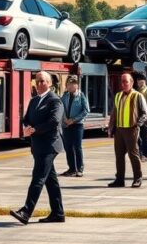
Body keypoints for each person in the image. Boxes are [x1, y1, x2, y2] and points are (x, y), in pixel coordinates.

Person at [10, 71, 66, 224]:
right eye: (37, 81)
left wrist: (35, 130)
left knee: (38, 177)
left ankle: (26, 211)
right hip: (38, 145)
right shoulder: (35, 100)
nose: (39, 84)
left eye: (43, 81)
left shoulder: (55, 100)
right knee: (50, 180)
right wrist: (27, 127)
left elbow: (54, 121)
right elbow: (26, 118)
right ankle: (58, 213)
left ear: (49, 83)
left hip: (50, 145)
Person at [108, 72, 147, 188]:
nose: (123, 84)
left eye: (126, 81)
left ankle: (137, 178)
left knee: (133, 155)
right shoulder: (118, 95)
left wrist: (138, 125)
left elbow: (145, 113)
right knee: (119, 156)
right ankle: (119, 179)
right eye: (122, 82)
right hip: (119, 130)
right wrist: (111, 128)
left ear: (131, 82)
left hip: (131, 129)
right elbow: (114, 113)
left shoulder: (138, 96)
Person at [60, 75, 89, 177]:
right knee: (68, 147)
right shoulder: (65, 96)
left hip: (77, 125)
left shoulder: (81, 96)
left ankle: (80, 169)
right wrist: (65, 120)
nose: (70, 86)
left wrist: (73, 120)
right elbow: (61, 108)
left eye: (73, 84)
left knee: (77, 147)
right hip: (66, 125)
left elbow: (86, 110)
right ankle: (71, 169)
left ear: (77, 85)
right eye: (69, 84)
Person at [135, 76, 147, 162]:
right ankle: (140, 154)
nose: (141, 83)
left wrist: (146, 117)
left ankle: (145, 155)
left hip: (145, 120)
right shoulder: (136, 91)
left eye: (142, 82)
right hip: (137, 119)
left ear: (145, 82)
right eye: (139, 82)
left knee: (145, 138)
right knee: (138, 138)